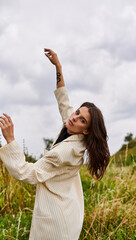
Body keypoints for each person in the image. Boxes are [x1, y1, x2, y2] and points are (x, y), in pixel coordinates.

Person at [0, 49, 110, 240]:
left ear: (86, 130)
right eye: (77, 113)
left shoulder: (66, 151)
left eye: (82, 120)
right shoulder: (77, 132)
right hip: (67, 209)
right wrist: (58, 67)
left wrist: (10, 140)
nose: (74, 118)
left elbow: (28, 173)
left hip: (56, 221)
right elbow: (64, 102)